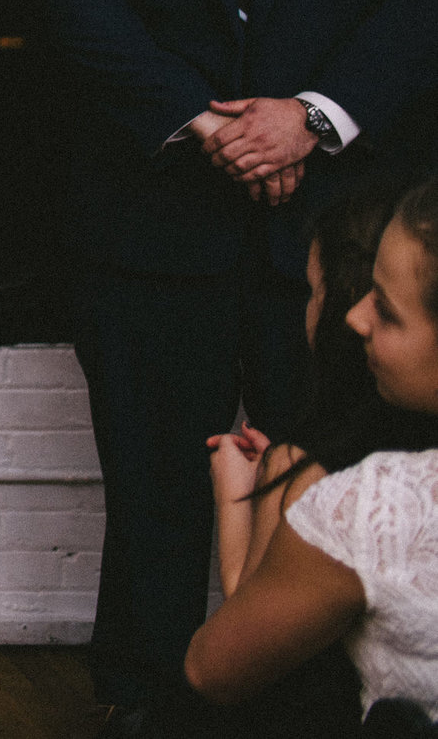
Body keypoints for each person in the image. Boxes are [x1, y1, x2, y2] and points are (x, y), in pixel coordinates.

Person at [49, 0, 438, 733]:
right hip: (150, 230)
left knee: (320, 465)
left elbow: (421, 1)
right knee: (153, 482)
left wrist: (309, 119)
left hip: (329, 238)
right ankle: (141, 695)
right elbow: (78, 5)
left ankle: (298, 695)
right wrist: (209, 124)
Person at [186, 174, 438, 730]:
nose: (356, 318)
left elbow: (217, 668)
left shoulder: (376, 501)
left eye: (389, 310)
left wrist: (236, 500)